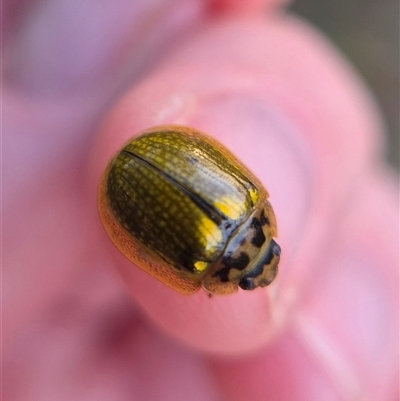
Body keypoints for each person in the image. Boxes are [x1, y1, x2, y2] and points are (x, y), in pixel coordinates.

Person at [4, 1, 398, 399]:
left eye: (252, 274)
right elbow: (145, 249)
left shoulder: (247, 198)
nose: (263, 273)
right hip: (138, 168)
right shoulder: (200, 266)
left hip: (151, 157)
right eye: (267, 252)